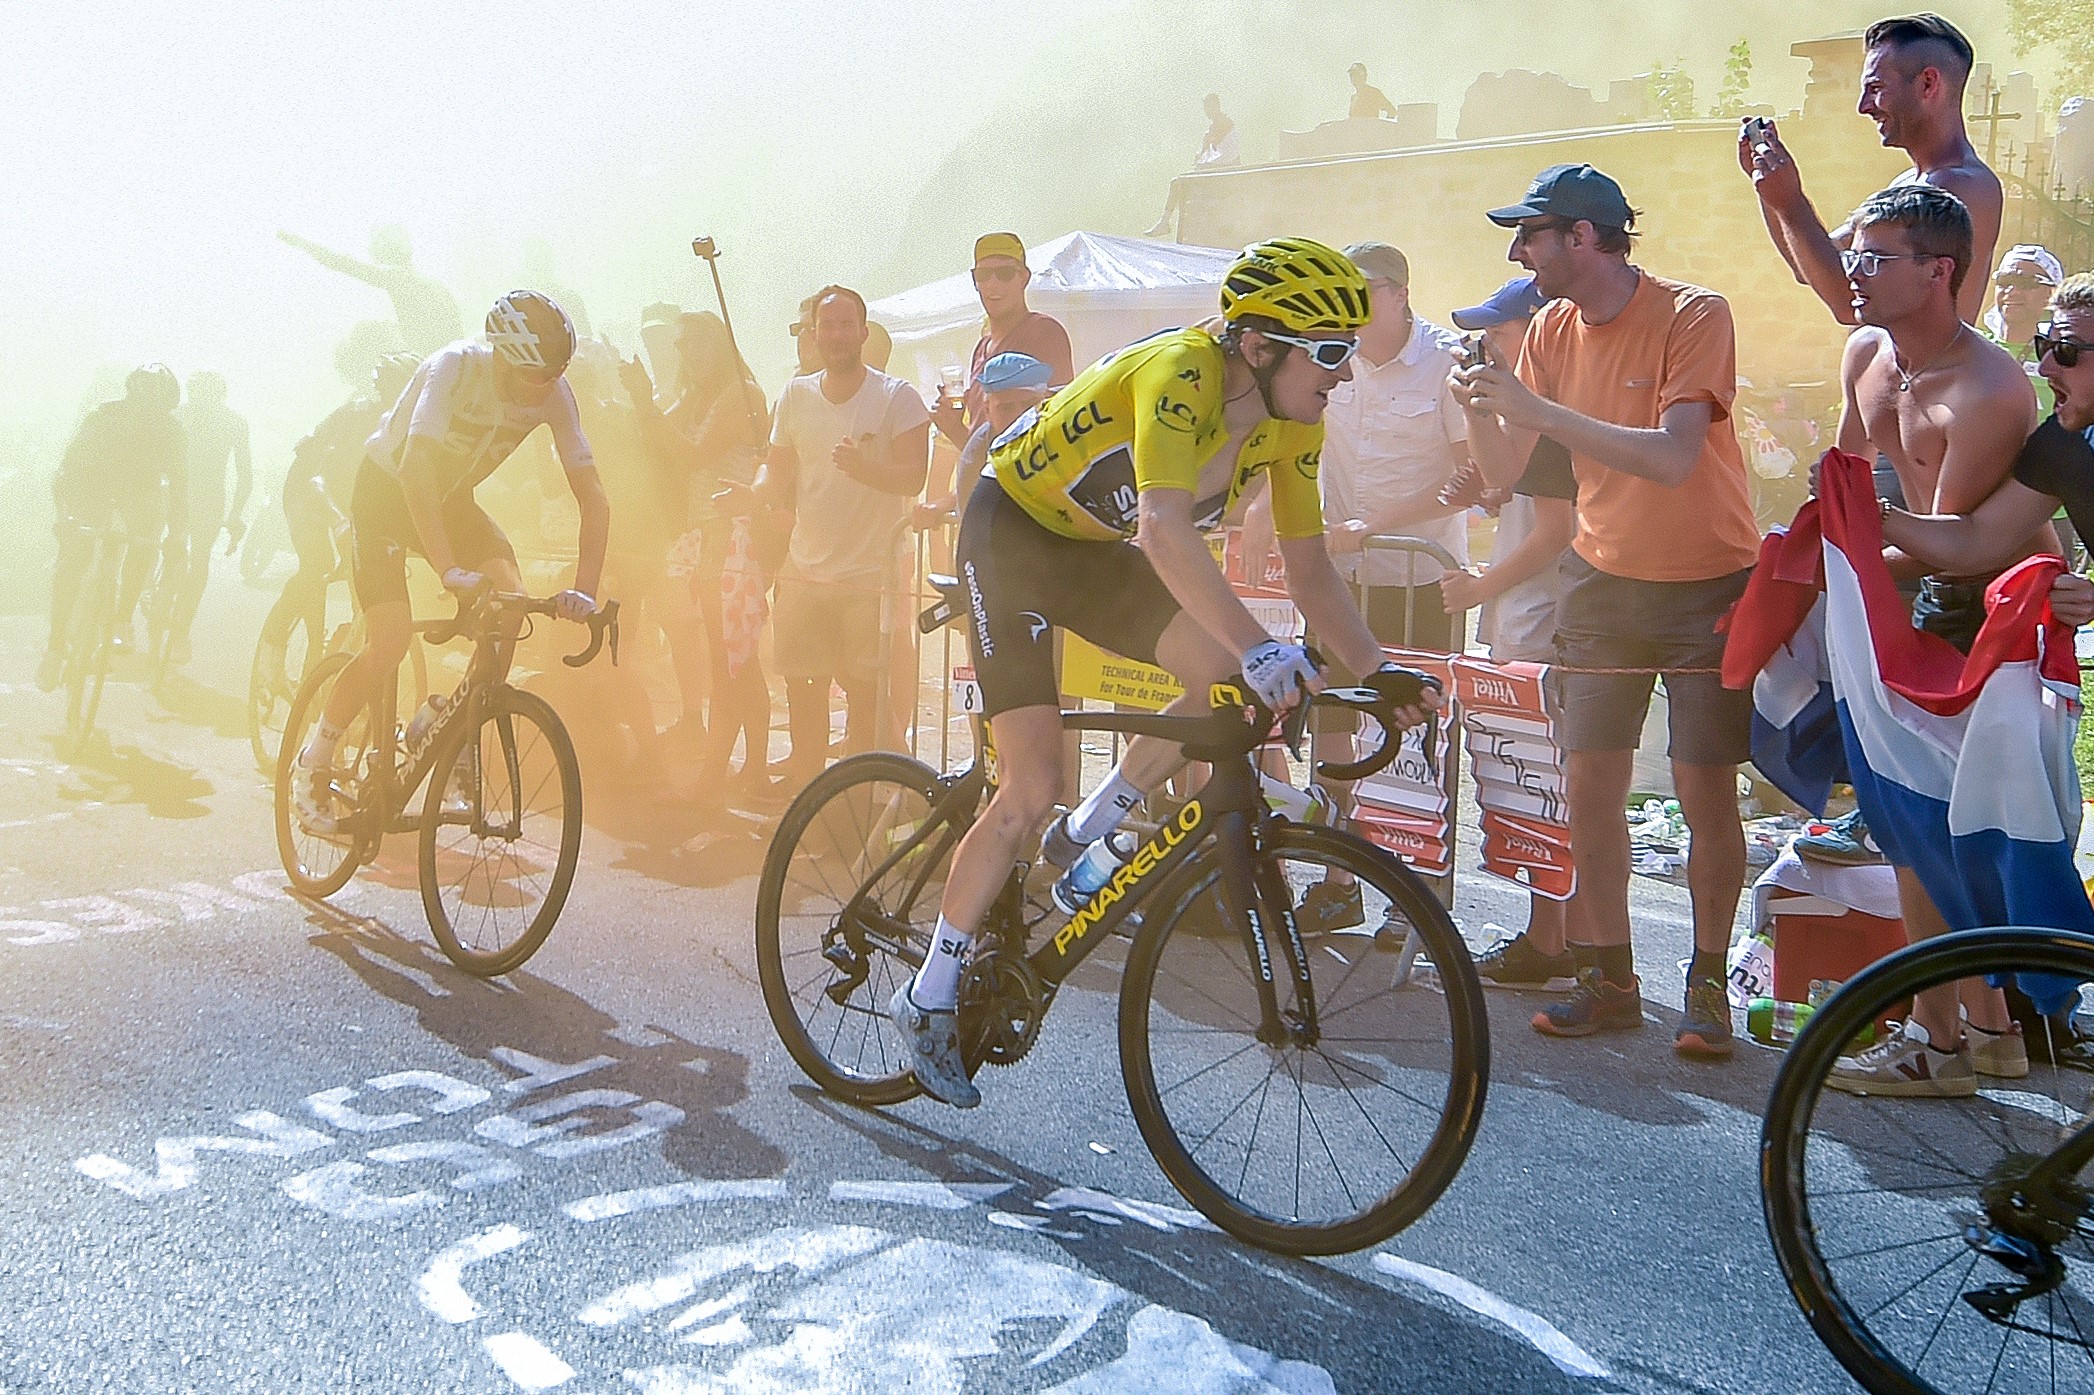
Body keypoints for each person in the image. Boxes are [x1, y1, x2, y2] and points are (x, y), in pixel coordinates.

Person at [889, 238, 1443, 1108]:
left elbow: (1310, 566)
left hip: (1093, 552)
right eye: (1328, 351)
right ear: (1259, 346)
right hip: (1014, 539)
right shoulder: (1181, 370)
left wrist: (1381, 671)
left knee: (1224, 681)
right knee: (1030, 783)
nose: (1342, 371)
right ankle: (927, 995)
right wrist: (1263, 645)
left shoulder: (1297, 419)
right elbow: (1163, 528)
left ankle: (1088, 833)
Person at [1452, 163, 1762, 1061]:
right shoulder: (1549, 326)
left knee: (1705, 789)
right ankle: (1608, 976)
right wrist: (1480, 408)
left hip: (1710, 578)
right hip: (1601, 580)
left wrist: (1537, 406)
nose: (1519, 252)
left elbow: (1670, 458)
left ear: (1583, 238)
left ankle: (1707, 986)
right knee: (1590, 786)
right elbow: (1511, 473)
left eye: (1532, 235)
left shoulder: (1695, 313)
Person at [1791, 187, 2048, 1096]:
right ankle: (1981, 1031)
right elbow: (1847, 487)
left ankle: (1945, 1048)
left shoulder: (1988, 387)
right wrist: (1801, 558)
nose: (1852, 274)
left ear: (1939, 271)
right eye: (1854, 254)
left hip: (1992, 618)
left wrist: (1830, 564)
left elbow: (1945, 544)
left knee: (1932, 833)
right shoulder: (1865, 349)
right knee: (1915, 829)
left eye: (1875, 258)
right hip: (1917, 596)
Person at [292, 292, 608, 833]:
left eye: (557, 373)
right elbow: (417, 472)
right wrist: (447, 571)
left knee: (511, 605)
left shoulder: (555, 393)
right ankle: (314, 761)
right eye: (535, 375)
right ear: (502, 355)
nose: (546, 388)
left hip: (453, 501)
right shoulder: (453, 368)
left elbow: (593, 498)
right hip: (387, 498)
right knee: (388, 640)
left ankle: (452, 729)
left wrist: (584, 590)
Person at [1439, 275, 1582, 991]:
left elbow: (1556, 530)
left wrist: (1479, 587)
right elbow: (1511, 486)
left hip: (1544, 619)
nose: (1488, 344)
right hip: (1531, 615)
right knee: (1545, 784)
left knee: (1545, 782)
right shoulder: (1534, 407)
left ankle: (1553, 940)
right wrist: (1476, 421)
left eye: (1498, 331)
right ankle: (1560, 937)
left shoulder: (1553, 404)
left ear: (1538, 329)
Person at [735, 286, 929, 788]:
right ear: (813, 335)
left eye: (848, 326)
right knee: (804, 696)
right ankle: (807, 795)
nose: (838, 336)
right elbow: (776, 474)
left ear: (863, 333)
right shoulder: (794, 396)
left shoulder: (897, 396)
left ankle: (853, 801)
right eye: (828, 327)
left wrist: (865, 468)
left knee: (865, 701)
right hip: (804, 572)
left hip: (868, 578)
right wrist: (751, 496)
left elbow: (914, 478)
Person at [1743, 13, 2001, 326]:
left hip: (1936, 377)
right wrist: (1770, 187)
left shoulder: (1962, 187)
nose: (1864, 106)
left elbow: (1847, 301)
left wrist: (1790, 202)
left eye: (1876, 87)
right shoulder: (1908, 183)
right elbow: (1809, 268)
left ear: (1928, 84)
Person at [624, 311, 776, 801]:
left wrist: (646, 404)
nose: (683, 354)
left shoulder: (742, 393)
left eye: (691, 344)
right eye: (681, 346)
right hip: (706, 535)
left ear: (716, 344)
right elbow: (653, 442)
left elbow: (690, 454)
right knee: (730, 657)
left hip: (735, 533)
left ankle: (731, 769)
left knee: (733, 658)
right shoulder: (695, 395)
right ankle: (739, 766)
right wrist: (639, 403)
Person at [266, 354, 421, 686]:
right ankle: (273, 642)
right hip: (309, 488)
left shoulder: (414, 423)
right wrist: (338, 523)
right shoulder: (356, 417)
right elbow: (318, 481)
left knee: (365, 581)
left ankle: (338, 662)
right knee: (317, 564)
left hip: (351, 494)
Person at [38, 365, 187, 691]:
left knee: (145, 543)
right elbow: (67, 470)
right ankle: (56, 645)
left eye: (154, 401)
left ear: (165, 405)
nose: (144, 407)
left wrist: (176, 535)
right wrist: (65, 516)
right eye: (139, 395)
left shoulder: (173, 432)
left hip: (138, 495)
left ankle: (122, 617)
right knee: (72, 560)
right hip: (92, 488)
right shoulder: (102, 417)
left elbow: (179, 488)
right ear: (129, 391)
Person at [929, 233, 1074, 454]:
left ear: (1024, 278)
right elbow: (985, 450)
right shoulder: (981, 348)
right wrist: (954, 427)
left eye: (1005, 273)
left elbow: (1055, 424)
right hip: (990, 481)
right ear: (975, 281)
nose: (993, 284)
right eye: (984, 274)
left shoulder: (1042, 332)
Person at [164, 371, 253, 666]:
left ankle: (180, 630)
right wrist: (235, 514)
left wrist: (236, 514)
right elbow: (244, 476)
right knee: (191, 559)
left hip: (200, 498)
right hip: (190, 496)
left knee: (196, 559)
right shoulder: (179, 418)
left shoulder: (183, 417)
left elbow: (244, 475)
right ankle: (176, 625)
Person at [917, 352, 1055, 527]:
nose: (1020, 417)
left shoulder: (1068, 421)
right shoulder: (974, 457)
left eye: (1030, 405)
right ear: (987, 411)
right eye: (1006, 408)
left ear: (1048, 400)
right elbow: (972, 536)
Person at [279, 225, 464, 355]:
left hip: (437, 365)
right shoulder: (434, 284)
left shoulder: (397, 278)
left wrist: (303, 244)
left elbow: (345, 264)